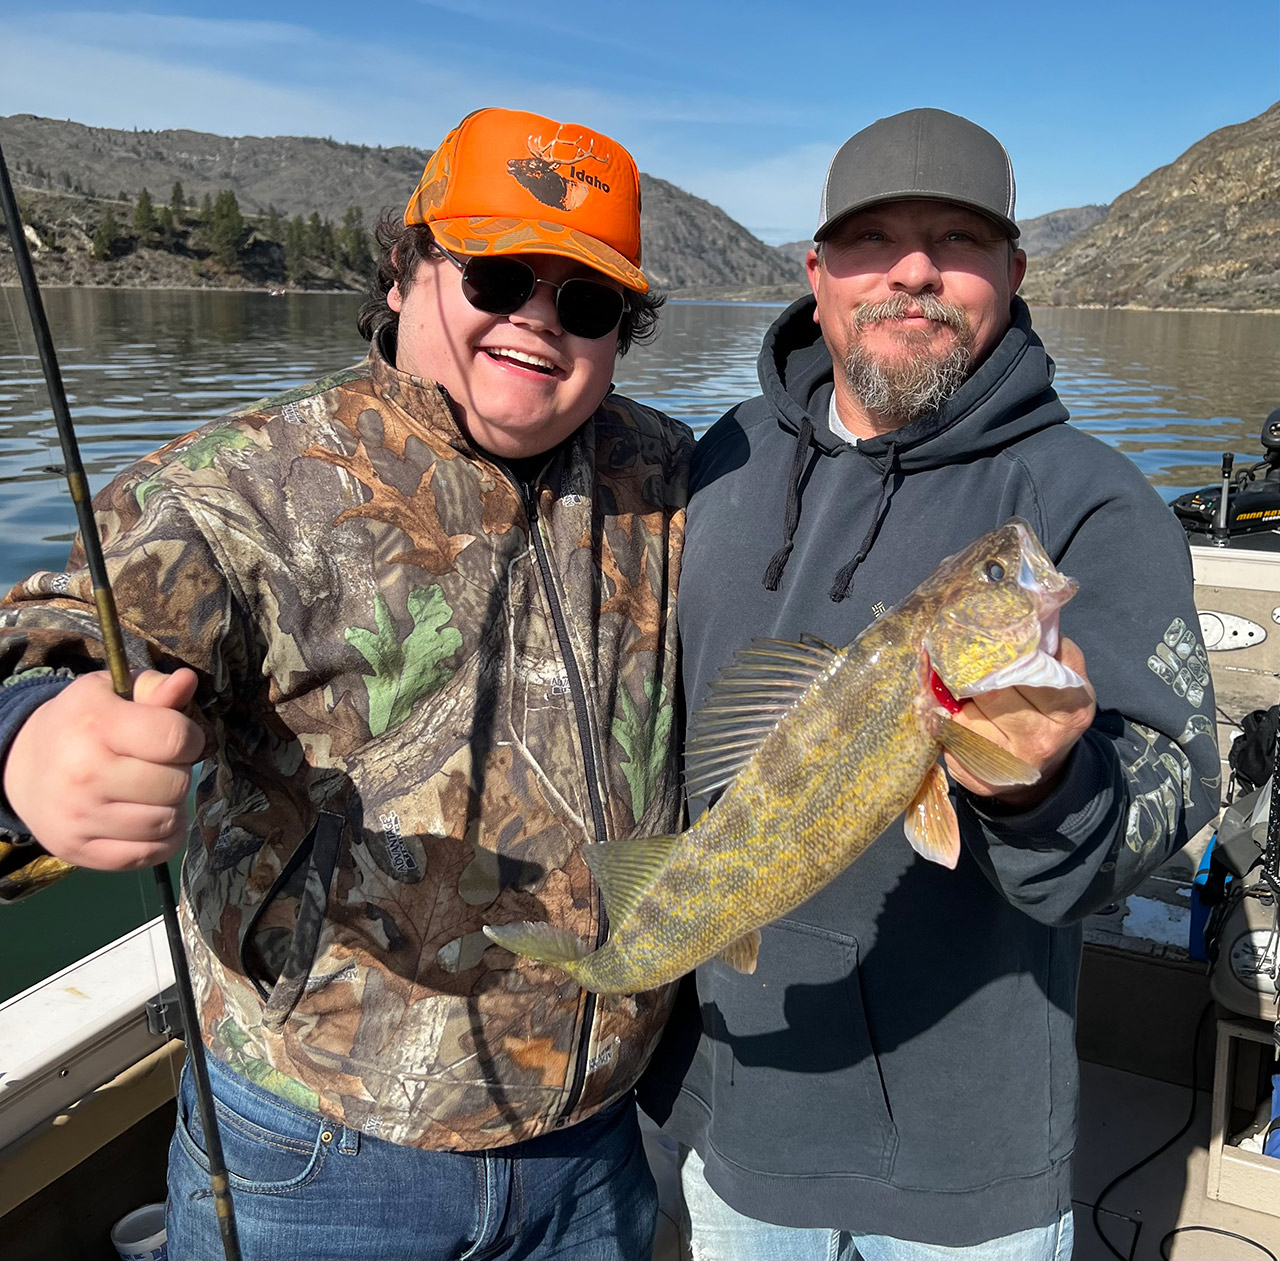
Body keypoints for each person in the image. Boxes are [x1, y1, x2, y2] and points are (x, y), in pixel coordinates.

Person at [0, 107, 693, 1261]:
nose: (535, 318)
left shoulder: (668, 474)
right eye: (496, 273)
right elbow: (61, 624)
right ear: (407, 265)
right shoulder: (243, 482)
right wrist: (36, 736)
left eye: (583, 301)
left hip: (597, 1149)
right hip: (317, 1156)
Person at [638, 108, 1220, 1261]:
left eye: (956, 240)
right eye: (872, 242)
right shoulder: (719, 461)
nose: (913, 270)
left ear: (1010, 272)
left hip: (971, 1163)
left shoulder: (1090, 502)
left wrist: (1040, 788)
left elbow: (1165, 803)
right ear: (817, 273)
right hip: (731, 1121)